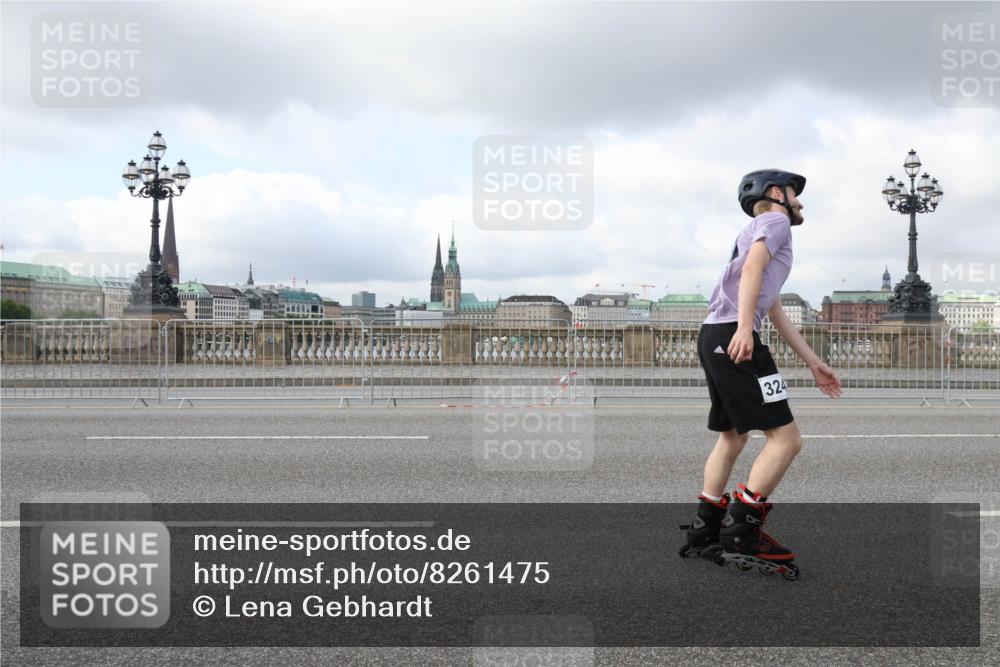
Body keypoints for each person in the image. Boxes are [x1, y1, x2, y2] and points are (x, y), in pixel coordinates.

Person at [679, 169, 843, 579]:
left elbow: (774, 307)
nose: (800, 202)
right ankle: (742, 531)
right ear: (776, 193)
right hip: (733, 337)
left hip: (713, 336)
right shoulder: (776, 221)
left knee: (733, 436)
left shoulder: (753, 231)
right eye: (795, 193)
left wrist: (812, 361)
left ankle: (704, 527)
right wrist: (744, 329)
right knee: (786, 440)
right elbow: (753, 272)